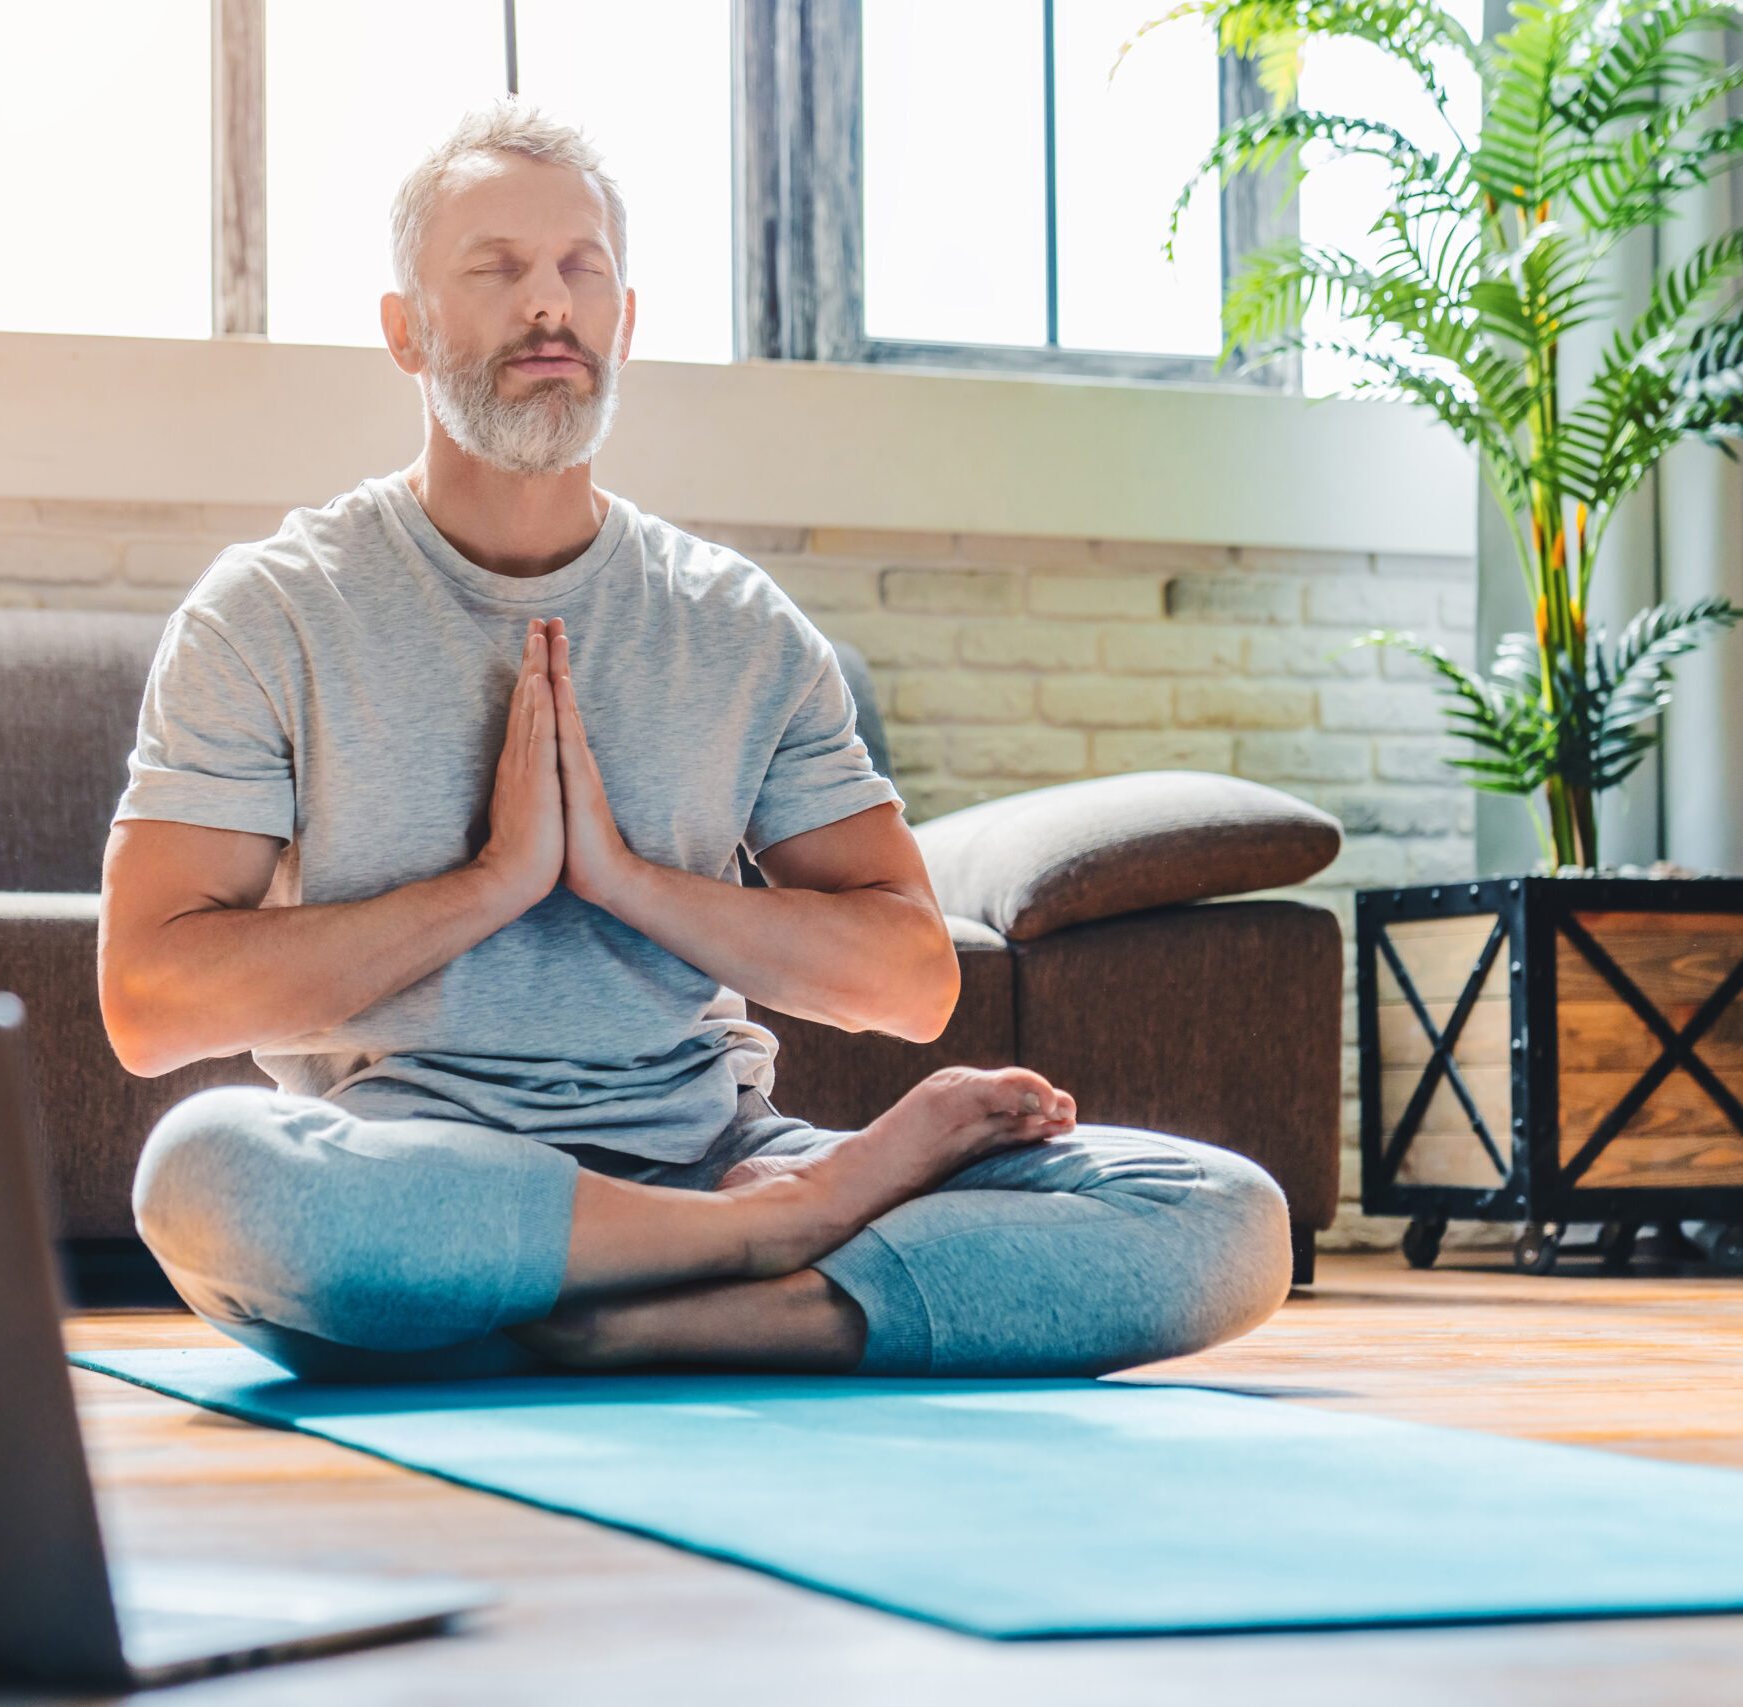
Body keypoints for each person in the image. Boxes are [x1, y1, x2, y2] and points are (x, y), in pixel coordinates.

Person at [99, 103, 1289, 1382]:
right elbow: (149, 1004)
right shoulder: (273, 610)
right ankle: (765, 1254)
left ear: (624, 318)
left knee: (1219, 1216)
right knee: (207, 1168)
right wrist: (491, 886)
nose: (547, 305)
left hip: (710, 1146)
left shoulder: (732, 624)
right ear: (405, 329)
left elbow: (911, 977)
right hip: (418, 1168)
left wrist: (623, 881)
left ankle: (641, 1308)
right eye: (494, 269)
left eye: (581, 269)